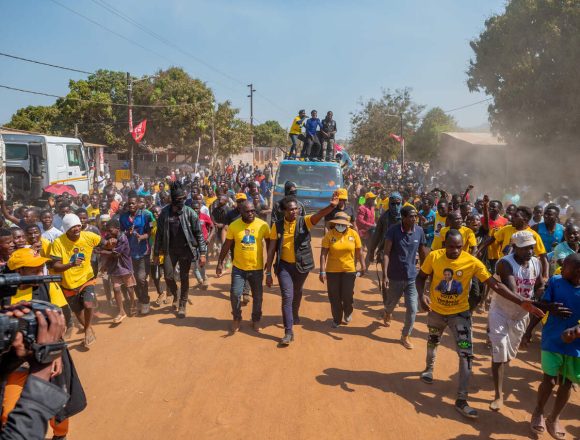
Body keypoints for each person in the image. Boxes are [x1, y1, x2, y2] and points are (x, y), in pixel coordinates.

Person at [416, 229, 543, 419]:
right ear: (444, 245)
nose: (456, 251)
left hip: (460, 316)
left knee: (466, 354)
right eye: (451, 247)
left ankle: (462, 399)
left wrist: (521, 301)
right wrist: (422, 295)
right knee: (433, 340)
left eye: (459, 247)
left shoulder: (472, 261)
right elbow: (421, 278)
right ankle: (429, 368)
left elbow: (495, 285)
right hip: (436, 313)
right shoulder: (434, 257)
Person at [3, 249, 87, 439]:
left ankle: (60, 435)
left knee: (57, 407)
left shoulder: (46, 286)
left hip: (48, 355)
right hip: (15, 362)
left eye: (42, 267)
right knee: (8, 413)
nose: (41, 273)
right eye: (35, 269)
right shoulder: (4, 291)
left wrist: (55, 354)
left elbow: (61, 319)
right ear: (20, 271)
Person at [265, 193, 338, 345]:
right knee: (287, 296)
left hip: (302, 266)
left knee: (297, 292)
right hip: (284, 266)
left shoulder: (304, 221)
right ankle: (288, 331)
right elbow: (271, 249)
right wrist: (268, 272)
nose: (294, 211)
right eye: (291, 209)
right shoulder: (277, 225)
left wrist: (331, 207)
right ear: (284, 211)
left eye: (296, 209)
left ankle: (295, 312)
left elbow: (318, 215)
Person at [488, 231, 545, 411]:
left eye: (531, 247)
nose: (529, 251)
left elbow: (538, 285)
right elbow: (513, 292)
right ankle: (498, 395)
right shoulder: (505, 263)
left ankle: (499, 367)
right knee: (499, 349)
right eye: (525, 248)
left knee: (508, 354)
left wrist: (542, 292)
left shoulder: (536, 263)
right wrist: (538, 303)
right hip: (501, 312)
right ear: (515, 248)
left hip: (521, 316)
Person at [0, 303, 69, 440]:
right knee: (8, 414)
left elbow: (57, 321)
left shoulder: (38, 293)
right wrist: (44, 362)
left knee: (58, 413)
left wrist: (55, 350)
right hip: (20, 369)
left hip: (18, 362)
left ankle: (60, 435)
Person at [531, 254, 580, 438]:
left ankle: (554, 418)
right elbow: (542, 305)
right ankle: (538, 412)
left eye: (564, 266)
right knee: (549, 380)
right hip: (552, 338)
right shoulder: (556, 281)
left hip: (575, 344)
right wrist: (550, 307)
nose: (560, 268)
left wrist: (577, 330)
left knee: (567, 383)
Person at [50, 214, 113, 348]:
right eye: (73, 227)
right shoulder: (58, 243)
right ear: (67, 228)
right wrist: (71, 264)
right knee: (78, 311)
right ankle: (87, 327)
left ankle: (87, 329)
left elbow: (105, 245)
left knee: (88, 304)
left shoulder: (89, 236)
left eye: (78, 225)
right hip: (68, 283)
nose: (77, 228)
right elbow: (55, 266)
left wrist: (110, 243)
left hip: (86, 277)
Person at [153, 182, 207, 318]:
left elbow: (199, 234)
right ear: (172, 199)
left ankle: (182, 304)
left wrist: (203, 253)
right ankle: (176, 294)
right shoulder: (164, 213)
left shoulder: (190, 213)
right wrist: (156, 253)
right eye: (178, 200)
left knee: (184, 277)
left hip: (185, 250)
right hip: (169, 250)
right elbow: (159, 234)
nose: (182, 201)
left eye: (183, 198)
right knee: (168, 276)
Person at [216, 201, 270, 332]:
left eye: (253, 211)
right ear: (241, 212)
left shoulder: (263, 225)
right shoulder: (234, 226)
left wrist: (270, 261)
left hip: (256, 268)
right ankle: (236, 318)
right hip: (238, 268)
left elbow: (270, 245)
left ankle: (256, 320)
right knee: (235, 294)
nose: (251, 213)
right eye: (248, 211)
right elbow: (227, 245)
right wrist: (220, 262)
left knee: (258, 296)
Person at [382, 206, 429, 349]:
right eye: (411, 216)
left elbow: (422, 253)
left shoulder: (419, 231)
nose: (414, 219)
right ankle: (387, 313)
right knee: (390, 304)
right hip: (395, 276)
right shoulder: (393, 231)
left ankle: (405, 335)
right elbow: (386, 253)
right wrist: (385, 275)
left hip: (412, 278)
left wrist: (425, 272)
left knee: (413, 308)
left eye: (415, 216)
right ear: (403, 217)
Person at [320, 211, 365, 328]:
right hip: (332, 271)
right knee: (334, 297)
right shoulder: (329, 235)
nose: (340, 226)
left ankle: (348, 311)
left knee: (347, 296)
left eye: (343, 224)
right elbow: (323, 254)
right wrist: (322, 270)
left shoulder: (354, 234)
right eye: (338, 224)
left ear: (347, 224)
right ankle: (336, 319)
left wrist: (363, 265)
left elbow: (359, 251)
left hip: (349, 270)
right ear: (334, 224)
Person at [120, 195, 152, 314]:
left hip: (144, 251)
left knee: (141, 278)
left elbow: (151, 231)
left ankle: (145, 300)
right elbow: (120, 231)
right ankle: (140, 299)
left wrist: (142, 236)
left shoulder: (146, 215)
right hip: (129, 253)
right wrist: (126, 232)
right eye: (129, 204)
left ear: (138, 203)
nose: (131, 206)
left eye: (133, 203)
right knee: (134, 280)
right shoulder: (123, 217)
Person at [100, 218, 137, 322]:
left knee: (130, 288)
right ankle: (121, 311)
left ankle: (133, 304)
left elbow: (116, 254)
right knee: (116, 288)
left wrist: (101, 251)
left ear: (117, 229)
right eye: (107, 230)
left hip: (125, 267)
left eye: (110, 230)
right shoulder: (108, 237)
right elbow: (103, 245)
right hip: (114, 268)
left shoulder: (123, 238)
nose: (108, 233)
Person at [356, 192, 376, 256]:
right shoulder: (362, 208)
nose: (374, 200)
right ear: (368, 200)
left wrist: (374, 224)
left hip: (370, 232)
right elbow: (360, 220)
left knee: (370, 250)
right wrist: (371, 225)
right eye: (372, 199)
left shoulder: (372, 208)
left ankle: (365, 265)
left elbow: (372, 219)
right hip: (362, 232)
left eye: (374, 198)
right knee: (359, 251)